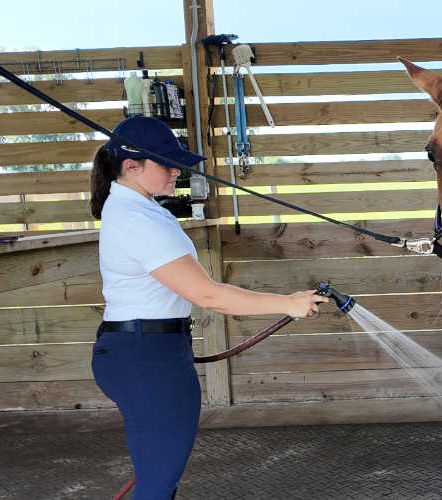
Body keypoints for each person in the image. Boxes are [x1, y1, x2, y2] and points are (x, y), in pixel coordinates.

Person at [88, 116, 328, 500]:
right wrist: (287, 304)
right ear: (131, 166)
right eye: (165, 163)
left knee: (159, 472)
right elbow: (208, 295)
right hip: (146, 357)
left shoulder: (136, 208)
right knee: (157, 480)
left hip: (145, 351)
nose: (176, 170)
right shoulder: (136, 219)